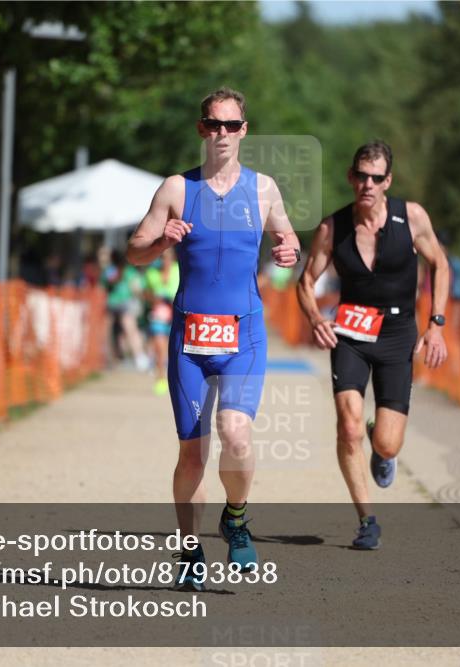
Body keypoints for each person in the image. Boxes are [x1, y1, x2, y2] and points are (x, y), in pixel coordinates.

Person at [127, 87, 300, 589]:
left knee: (237, 433)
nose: (221, 133)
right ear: (201, 128)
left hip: (243, 335)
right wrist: (162, 240)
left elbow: (287, 236)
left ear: (244, 130)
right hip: (189, 340)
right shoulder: (176, 189)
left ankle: (237, 518)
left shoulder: (264, 189)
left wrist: (288, 251)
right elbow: (135, 250)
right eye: (212, 124)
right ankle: (189, 549)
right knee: (193, 454)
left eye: (231, 125)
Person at [296, 140, 449, 550]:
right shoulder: (333, 228)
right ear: (351, 177)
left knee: (386, 442)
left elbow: (440, 264)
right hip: (350, 334)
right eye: (361, 175)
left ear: (388, 181)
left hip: (398, 335)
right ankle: (367, 521)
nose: (367, 184)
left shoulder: (411, 216)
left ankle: (380, 444)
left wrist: (436, 324)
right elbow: (307, 281)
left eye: (376, 178)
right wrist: (315, 319)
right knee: (347, 428)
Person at [144, 249, 180, 395]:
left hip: (176, 315)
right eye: (161, 257)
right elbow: (145, 293)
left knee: (175, 350)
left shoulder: (178, 270)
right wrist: (154, 298)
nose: (163, 260)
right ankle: (160, 378)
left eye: (166, 257)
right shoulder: (151, 274)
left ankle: (176, 379)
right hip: (159, 315)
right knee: (159, 348)